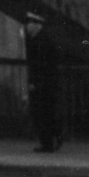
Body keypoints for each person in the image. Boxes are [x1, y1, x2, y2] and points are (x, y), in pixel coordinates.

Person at [25, 13, 63, 153]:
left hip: (42, 84)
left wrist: (34, 82)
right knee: (47, 113)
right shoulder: (43, 39)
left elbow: (39, 65)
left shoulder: (39, 41)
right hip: (47, 83)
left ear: (37, 25)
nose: (27, 26)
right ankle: (55, 137)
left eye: (30, 23)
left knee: (42, 114)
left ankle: (48, 143)